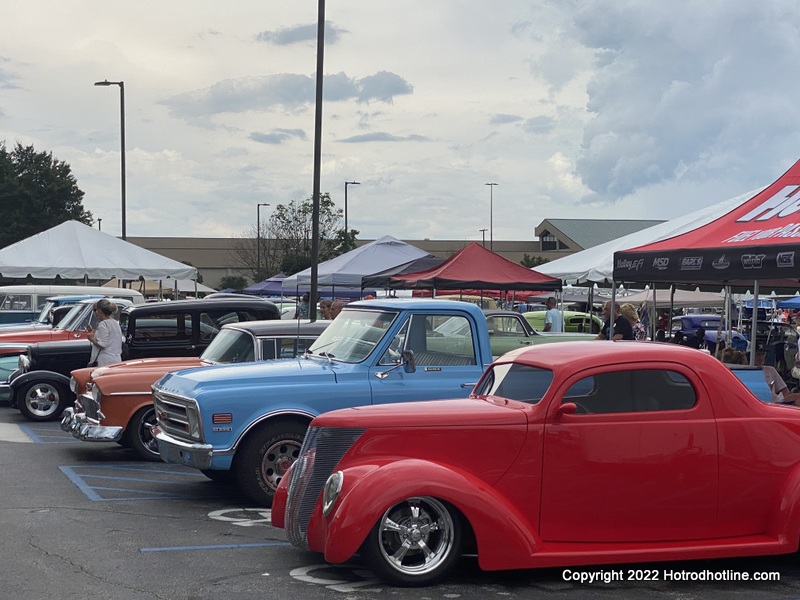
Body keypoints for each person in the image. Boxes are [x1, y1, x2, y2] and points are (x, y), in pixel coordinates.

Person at [87, 298, 123, 367]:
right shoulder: (115, 323)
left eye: (95, 310)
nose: (94, 312)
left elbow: (102, 344)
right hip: (117, 359)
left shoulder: (103, 324)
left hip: (105, 361)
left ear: (99, 311)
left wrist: (91, 339)